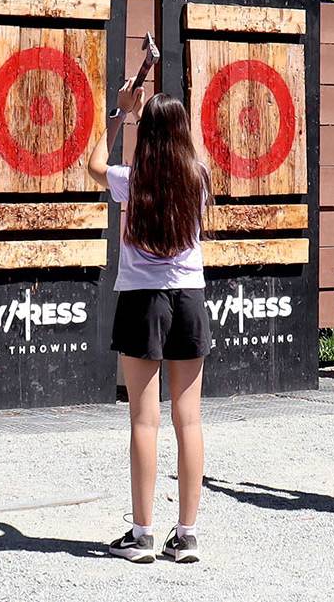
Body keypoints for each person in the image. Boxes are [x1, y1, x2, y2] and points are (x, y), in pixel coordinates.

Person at [88, 78, 212, 562]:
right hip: (188, 298)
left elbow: (93, 165)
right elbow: (191, 153)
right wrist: (169, 120)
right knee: (190, 420)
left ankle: (141, 535)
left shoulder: (132, 178)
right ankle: (186, 535)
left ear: (147, 133)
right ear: (181, 133)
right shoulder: (199, 177)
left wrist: (122, 112)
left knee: (144, 419)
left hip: (143, 299)